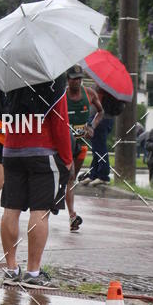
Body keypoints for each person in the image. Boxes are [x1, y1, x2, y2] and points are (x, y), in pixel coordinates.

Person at [0, 75, 71, 286]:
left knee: (11, 209)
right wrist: (67, 159)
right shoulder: (53, 77)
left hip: (11, 151)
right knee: (40, 211)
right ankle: (33, 273)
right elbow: (60, 121)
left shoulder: (7, 77)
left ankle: (11, 270)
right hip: (42, 152)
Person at [64, 65, 103, 230]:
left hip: (80, 144)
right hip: (64, 144)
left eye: (79, 78)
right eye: (74, 78)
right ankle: (72, 214)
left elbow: (100, 112)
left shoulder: (89, 93)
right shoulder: (61, 95)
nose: (77, 81)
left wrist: (92, 126)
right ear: (68, 79)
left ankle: (71, 218)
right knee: (70, 173)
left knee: (71, 180)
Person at [82, 89, 123, 186]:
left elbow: (97, 104)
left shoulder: (102, 88)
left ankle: (103, 176)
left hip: (100, 119)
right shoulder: (112, 89)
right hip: (105, 119)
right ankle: (94, 174)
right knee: (97, 148)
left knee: (99, 148)